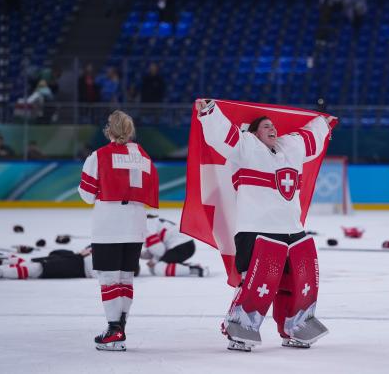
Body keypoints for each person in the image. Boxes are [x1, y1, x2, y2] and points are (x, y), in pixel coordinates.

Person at [194, 98, 332, 351]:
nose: (273, 129)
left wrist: (322, 122)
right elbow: (222, 136)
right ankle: (240, 326)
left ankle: (294, 326)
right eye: (266, 126)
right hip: (256, 229)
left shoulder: (290, 146)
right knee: (256, 282)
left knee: (296, 283)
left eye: (273, 125)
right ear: (254, 132)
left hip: (291, 229)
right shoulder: (245, 148)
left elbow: (309, 136)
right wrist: (210, 111)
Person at [77, 110, 158, 351]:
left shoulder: (99, 155)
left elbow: (87, 195)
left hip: (109, 224)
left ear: (109, 130)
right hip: (135, 224)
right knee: (125, 277)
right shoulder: (142, 155)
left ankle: (113, 330)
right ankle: (120, 326)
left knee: (109, 278)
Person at [141, 214, 209, 277]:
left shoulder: (145, 226)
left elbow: (159, 251)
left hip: (181, 246)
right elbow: (156, 249)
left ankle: (195, 269)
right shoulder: (151, 221)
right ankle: (191, 267)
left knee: (159, 268)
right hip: (184, 244)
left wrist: (154, 260)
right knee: (154, 268)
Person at [0, 247, 95, 279]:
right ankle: (5, 261)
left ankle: (2, 271)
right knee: (33, 264)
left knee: (36, 268)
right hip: (75, 259)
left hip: (77, 266)